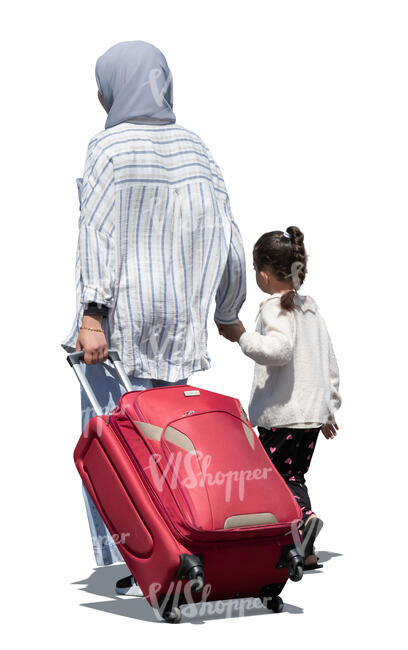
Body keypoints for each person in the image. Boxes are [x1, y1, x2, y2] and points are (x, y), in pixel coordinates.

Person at [61, 40, 246, 595]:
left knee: (115, 448)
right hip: (178, 329)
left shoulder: (108, 149)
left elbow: (98, 235)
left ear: (110, 89)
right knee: (172, 450)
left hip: (118, 332)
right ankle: (184, 546)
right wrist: (229, 310)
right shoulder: (197, 149)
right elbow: (229, 237)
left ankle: (137, 557)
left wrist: (92, 315)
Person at [219, 226, 341, 569]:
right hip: (311, 417)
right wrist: (329, 409)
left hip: (282, 415)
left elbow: (280, 350)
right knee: (293, 476)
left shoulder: (275, 308)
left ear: (262, 274)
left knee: (272, 480)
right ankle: (306, 547)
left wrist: (242, 336)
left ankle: (299, 523)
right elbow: (329, 361)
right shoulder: (311, 309)